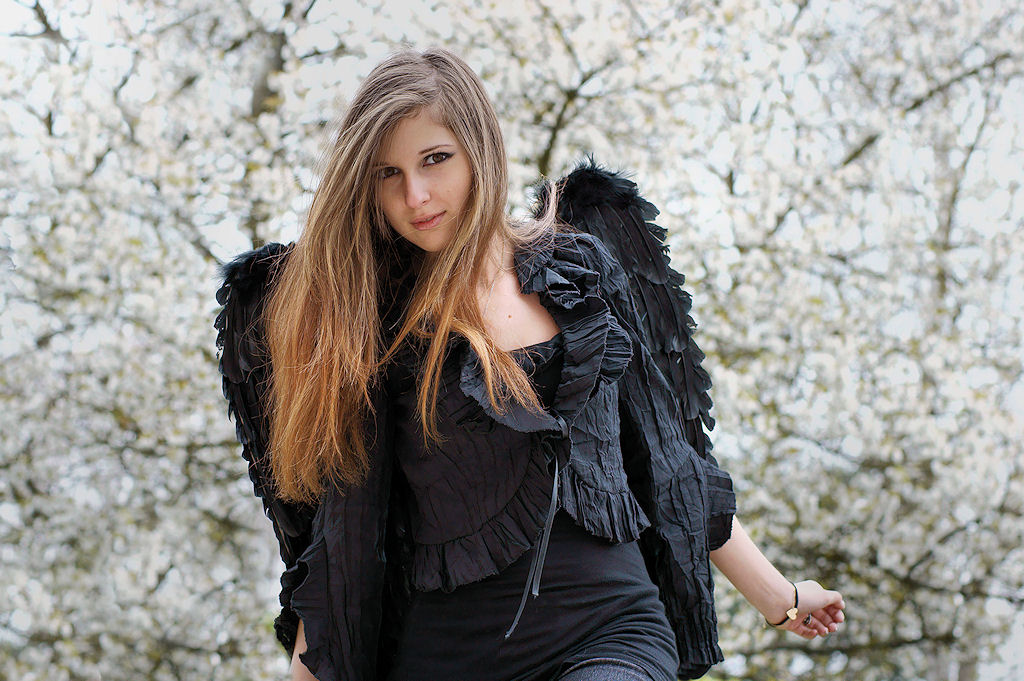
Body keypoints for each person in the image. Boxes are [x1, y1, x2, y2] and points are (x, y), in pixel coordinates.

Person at [214, 47, 845, 681]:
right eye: (388, 173)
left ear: (480, 150)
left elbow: (668, 459)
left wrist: (782, 597)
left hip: (611, 633)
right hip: (444, 661)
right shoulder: (363, 327)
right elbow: (340, 546)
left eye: (435, 159)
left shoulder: (582, 271)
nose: (416, 195)